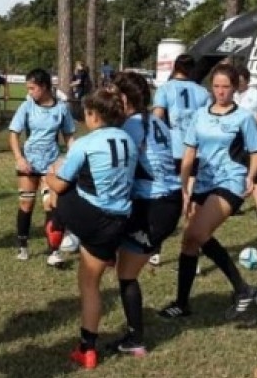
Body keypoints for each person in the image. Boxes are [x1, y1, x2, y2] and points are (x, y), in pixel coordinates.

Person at [157, 63, 257, 325]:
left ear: (235, 87)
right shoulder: (200, 114)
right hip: (203, 181)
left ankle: (240, 289)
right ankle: (183, 304)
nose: (220, 92)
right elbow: (189, 151)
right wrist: (183, 187)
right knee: (190, 242)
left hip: (231, 181)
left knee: (196, 233)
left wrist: (251, 176)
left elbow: (256, 153)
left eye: (226, 87)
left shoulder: (244, 117)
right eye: (216, 86)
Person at [45, 86, 136, 370]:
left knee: (52, 189)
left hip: (91, 216)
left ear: (94, 115)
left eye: (86, 114)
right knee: (90, 282)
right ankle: (87, 348)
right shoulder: (130, 140)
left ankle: (56, 226)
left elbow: (60, 183)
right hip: (119, 221)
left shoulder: (85, 143)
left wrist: (49, 173)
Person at [108, 71, 181, 356]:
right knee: (119, 259)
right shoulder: (157, 123)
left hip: (155, 207)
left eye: (115, 95)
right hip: (162, 202)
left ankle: (135, 339)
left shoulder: (130, 127)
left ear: (124, 98)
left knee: (126, 274)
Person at [9, 68, 76, 265]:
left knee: (51, 206)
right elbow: (13, 133)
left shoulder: (61, 109)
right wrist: (19, 158)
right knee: (26, 204)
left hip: (51, 165)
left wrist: (72, 158)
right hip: (28, 164)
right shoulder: (26, 107)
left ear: (44, 87)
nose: (29, 92)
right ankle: (22, 246)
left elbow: (69, 135)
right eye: (28, 88)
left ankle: (53, 251)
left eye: (32, 88)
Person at [151, 54, 209, 267]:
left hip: (172, 151)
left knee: (167, 198)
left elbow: (156, 118)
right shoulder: (202, 92)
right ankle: (191, 250)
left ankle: (156, 249)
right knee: (191, 201)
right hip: (195, 151)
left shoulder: (165, 89)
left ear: (174, 68)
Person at [235, 65, 257, 220]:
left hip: (250, 142)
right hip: (235, 141)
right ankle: (236, 205)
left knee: (254, 175)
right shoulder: (232, 95)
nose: (238, 84)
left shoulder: (256, 95)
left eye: (240, 81)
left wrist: (250, 123)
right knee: (236, 174)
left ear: (247, 80)